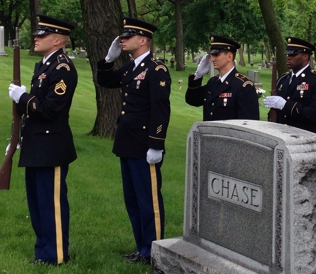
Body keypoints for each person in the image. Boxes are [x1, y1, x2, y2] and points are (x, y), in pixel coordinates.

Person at [96, 17, 171, 265]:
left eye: (128, 36)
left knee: (148, 201)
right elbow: (106, 81)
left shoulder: (156, 69)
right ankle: (142, 247)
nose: (123, 40)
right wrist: (108, 60)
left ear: (143, 40)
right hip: (127, 143)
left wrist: (156, 144)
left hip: (144, 145)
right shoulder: (130, 68)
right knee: (133, 200)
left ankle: (153, 251)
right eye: (123, 36)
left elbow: (160, 109)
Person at [8, 14, 77, 265]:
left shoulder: (63, 68)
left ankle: (57, 255)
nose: (36, 38)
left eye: (42, 35)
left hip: (52, 146)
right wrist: (19, 136)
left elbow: (49, 109)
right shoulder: (44, 66)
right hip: (36, 143)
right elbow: (33, 112)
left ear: (57, 40)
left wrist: (23, 97)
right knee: (37, 205)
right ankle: (43, 252)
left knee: (51, 204)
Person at [263, 37, 316, 136]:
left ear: (305, 56)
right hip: (282, 137)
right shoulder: (283, 79)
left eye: (293, 54)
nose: (289, 57)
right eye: (288, 54)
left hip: (306, 139)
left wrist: (285, 105)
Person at [185, 35, 259, 121]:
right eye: (212, 55)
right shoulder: (213, 82)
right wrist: (198, 75)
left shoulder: (243, 86)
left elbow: (248, 124)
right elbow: (192, 100)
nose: (212, 59)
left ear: (229, 57)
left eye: (216, 55)